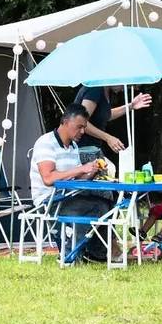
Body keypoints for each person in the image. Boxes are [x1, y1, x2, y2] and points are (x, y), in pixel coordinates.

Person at [29, 103, 119, 261]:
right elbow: (48, 178)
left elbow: (77, 179)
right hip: (49, 201)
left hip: (69, 196)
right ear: (65, 121)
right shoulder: (46, 143)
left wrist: (92, 171)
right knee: (98, 207)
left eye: (84, 127)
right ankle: (72, 253)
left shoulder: (73, 146)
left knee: (108, 203)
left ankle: (92, 252)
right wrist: (81, 169)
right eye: (79, 127)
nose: (82, 131)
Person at [74, 86, 152, 152]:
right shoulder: (94, 89)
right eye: (123, 84)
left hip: (93, 147)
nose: (123, 89)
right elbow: (81, 122)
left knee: (111, 168)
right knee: (110, 169)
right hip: (81, 148)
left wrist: (131, 106)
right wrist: (108, 138)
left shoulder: (107, 91)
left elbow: (105, 115)